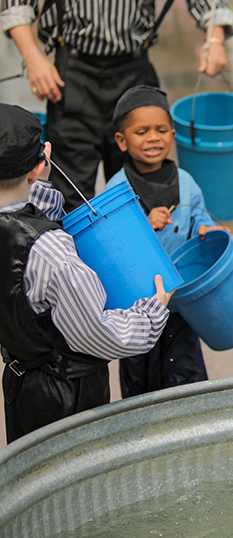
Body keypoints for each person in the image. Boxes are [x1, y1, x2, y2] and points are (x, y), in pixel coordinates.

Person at [0, 0, 233, 212]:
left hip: (135, 74)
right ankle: (71, 253)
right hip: (71, 76)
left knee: (142, 189)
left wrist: (215, 40)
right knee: (70, 194)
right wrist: (32, 57)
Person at [0, 104, 172, 444]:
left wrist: (36, 177)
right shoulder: (54, 253)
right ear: (37, 168)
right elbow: (97, 336)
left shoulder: (30, 236)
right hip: (65, 393)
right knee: (73, 489)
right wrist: (151, 312)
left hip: (18, 378)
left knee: (29, 479)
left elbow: (19, 213)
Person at [106, 86, 228, 399]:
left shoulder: (185, 181)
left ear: (173, 135)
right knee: (140, 390)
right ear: (122, 140)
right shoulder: (115, 190)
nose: (153, 138)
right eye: (141, 131)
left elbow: (200, 216)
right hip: (137, 311)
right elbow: (110, 249)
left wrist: (208, 230)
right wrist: (144, 227)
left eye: (161, 130)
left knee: (187, 382)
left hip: (183, 305)